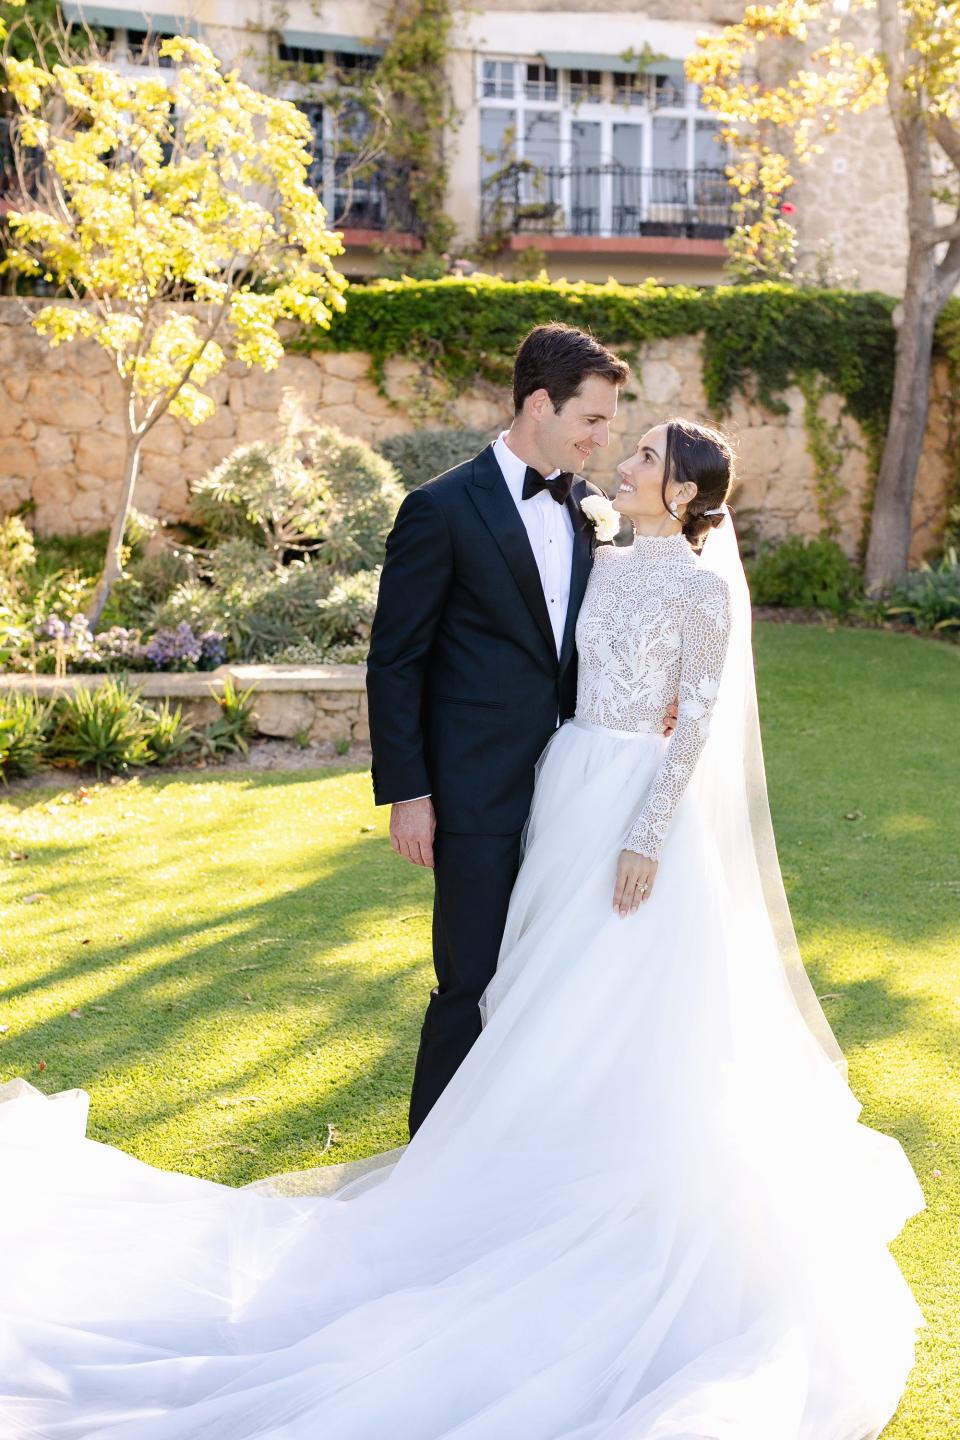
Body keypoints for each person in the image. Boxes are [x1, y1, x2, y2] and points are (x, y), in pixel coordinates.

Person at [0, 419, 925, 1440]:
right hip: (563, 788)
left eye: (648, 456)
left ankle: (612, 1179)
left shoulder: (702, 592)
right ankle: (524, 1163)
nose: (625, 460)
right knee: (533, 986)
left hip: (634, 814)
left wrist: (647, 838)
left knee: (622, 996)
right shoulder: (600, 554)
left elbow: (695, 723)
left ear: (683, 490)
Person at [367, 322, 641, 1135]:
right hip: (472, 793)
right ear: (538, 405)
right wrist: (408, 792)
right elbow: (396, 662)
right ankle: (430, 1170)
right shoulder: (441, 509)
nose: (603, 438)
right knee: (469, 980)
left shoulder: (594, 511)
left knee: (553, 980)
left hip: (576, 797)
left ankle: (518, 1157)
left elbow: (602, 641)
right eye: (592, 419)